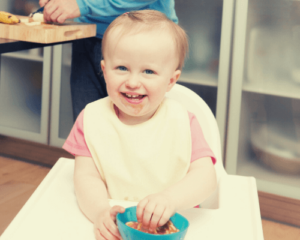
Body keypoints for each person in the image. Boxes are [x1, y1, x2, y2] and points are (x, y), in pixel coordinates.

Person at [63, 10, 217, 240]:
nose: (133, 82)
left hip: (171, 228)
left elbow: (206, 176)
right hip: (118, 225)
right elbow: (86, 178)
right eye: (122, 68)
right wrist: (100, 212)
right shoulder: (91, 119)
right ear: (104, 71)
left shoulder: (183, 121)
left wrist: (170, 199)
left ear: (171, 80)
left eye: (148, 71)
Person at [39, 0, 179, 120]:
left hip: (147, 40)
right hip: (87, 33)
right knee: (88, 123)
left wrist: (83, 3)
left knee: (143, 129)